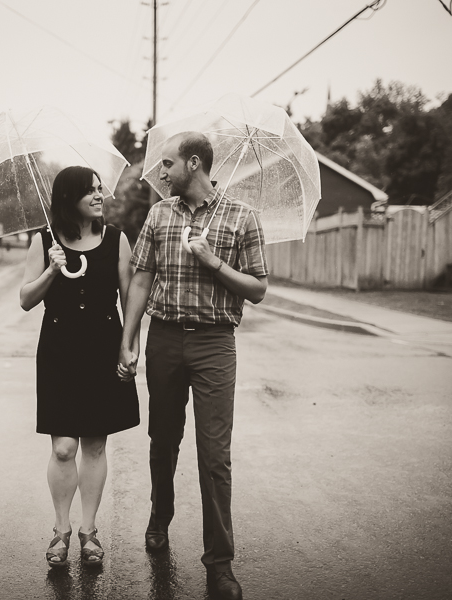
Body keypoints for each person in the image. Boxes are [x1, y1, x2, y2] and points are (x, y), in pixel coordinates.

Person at [118, 132, 268, 600]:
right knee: (162, 440)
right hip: (164, 339)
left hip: (215, 344)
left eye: (167, 164)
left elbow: (258, 288)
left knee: (214, 455)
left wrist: (211, 260)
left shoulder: (242, 216)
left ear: (194, 163)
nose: (160, 174)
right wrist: (129, 340)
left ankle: (220, 563)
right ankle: (159, 517)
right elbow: (141, 280)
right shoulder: (160, 214)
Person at [20, 165, 140, 569]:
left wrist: (129, 347)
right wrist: (53, 270)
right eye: (89, 190)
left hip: (103, 348)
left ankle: (88, 531)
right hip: (59, 351)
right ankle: (61, 529)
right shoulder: (43, 241)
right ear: (69, 198)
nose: (98, 195)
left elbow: (129, 300)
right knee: (63, 446)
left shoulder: (117, 241)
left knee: (94, 444)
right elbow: (25, 298)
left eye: (98, 188)